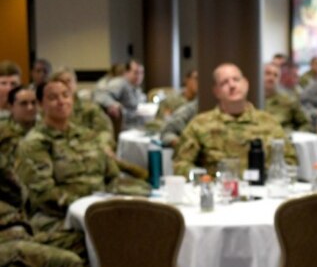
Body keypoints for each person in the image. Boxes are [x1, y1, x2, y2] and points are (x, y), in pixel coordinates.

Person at [16, 75, 150, 242]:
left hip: (101, 210)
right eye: (53, 98)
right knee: (113, 243)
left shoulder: (87, 136)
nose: (61, 101)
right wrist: (91, 207)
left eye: (65, 95)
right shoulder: (35, 143)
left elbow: (112, 177)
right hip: (59, 220)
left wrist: (140, 195)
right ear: (41, 104)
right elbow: (43, 196)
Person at [173, 63, 297, 177]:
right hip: (218, 190)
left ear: (246, 84)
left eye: (236, 80)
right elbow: (180, 164)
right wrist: (206, 180)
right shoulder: (200, 125)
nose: (232, 85)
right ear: (216, 91)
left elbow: (290, 160)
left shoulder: (269, 123)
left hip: (264, 190)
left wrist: (274, 178)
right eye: (224, 82)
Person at [94, 59, 145, 129]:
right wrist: (112, 104)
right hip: (126, 127)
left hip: (135, 122)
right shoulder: (120, 83)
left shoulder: (135, 87)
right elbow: (101, 95)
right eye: (136, 72)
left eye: (141, 73)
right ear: (127, 72)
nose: (139, 76)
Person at [262, 62, 311, 133]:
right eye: (267, 73)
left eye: (275, 75)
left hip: (282, 137)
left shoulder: (289, 101)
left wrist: (295, 136)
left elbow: (306, 123)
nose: (271, 78)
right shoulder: (250, 100)